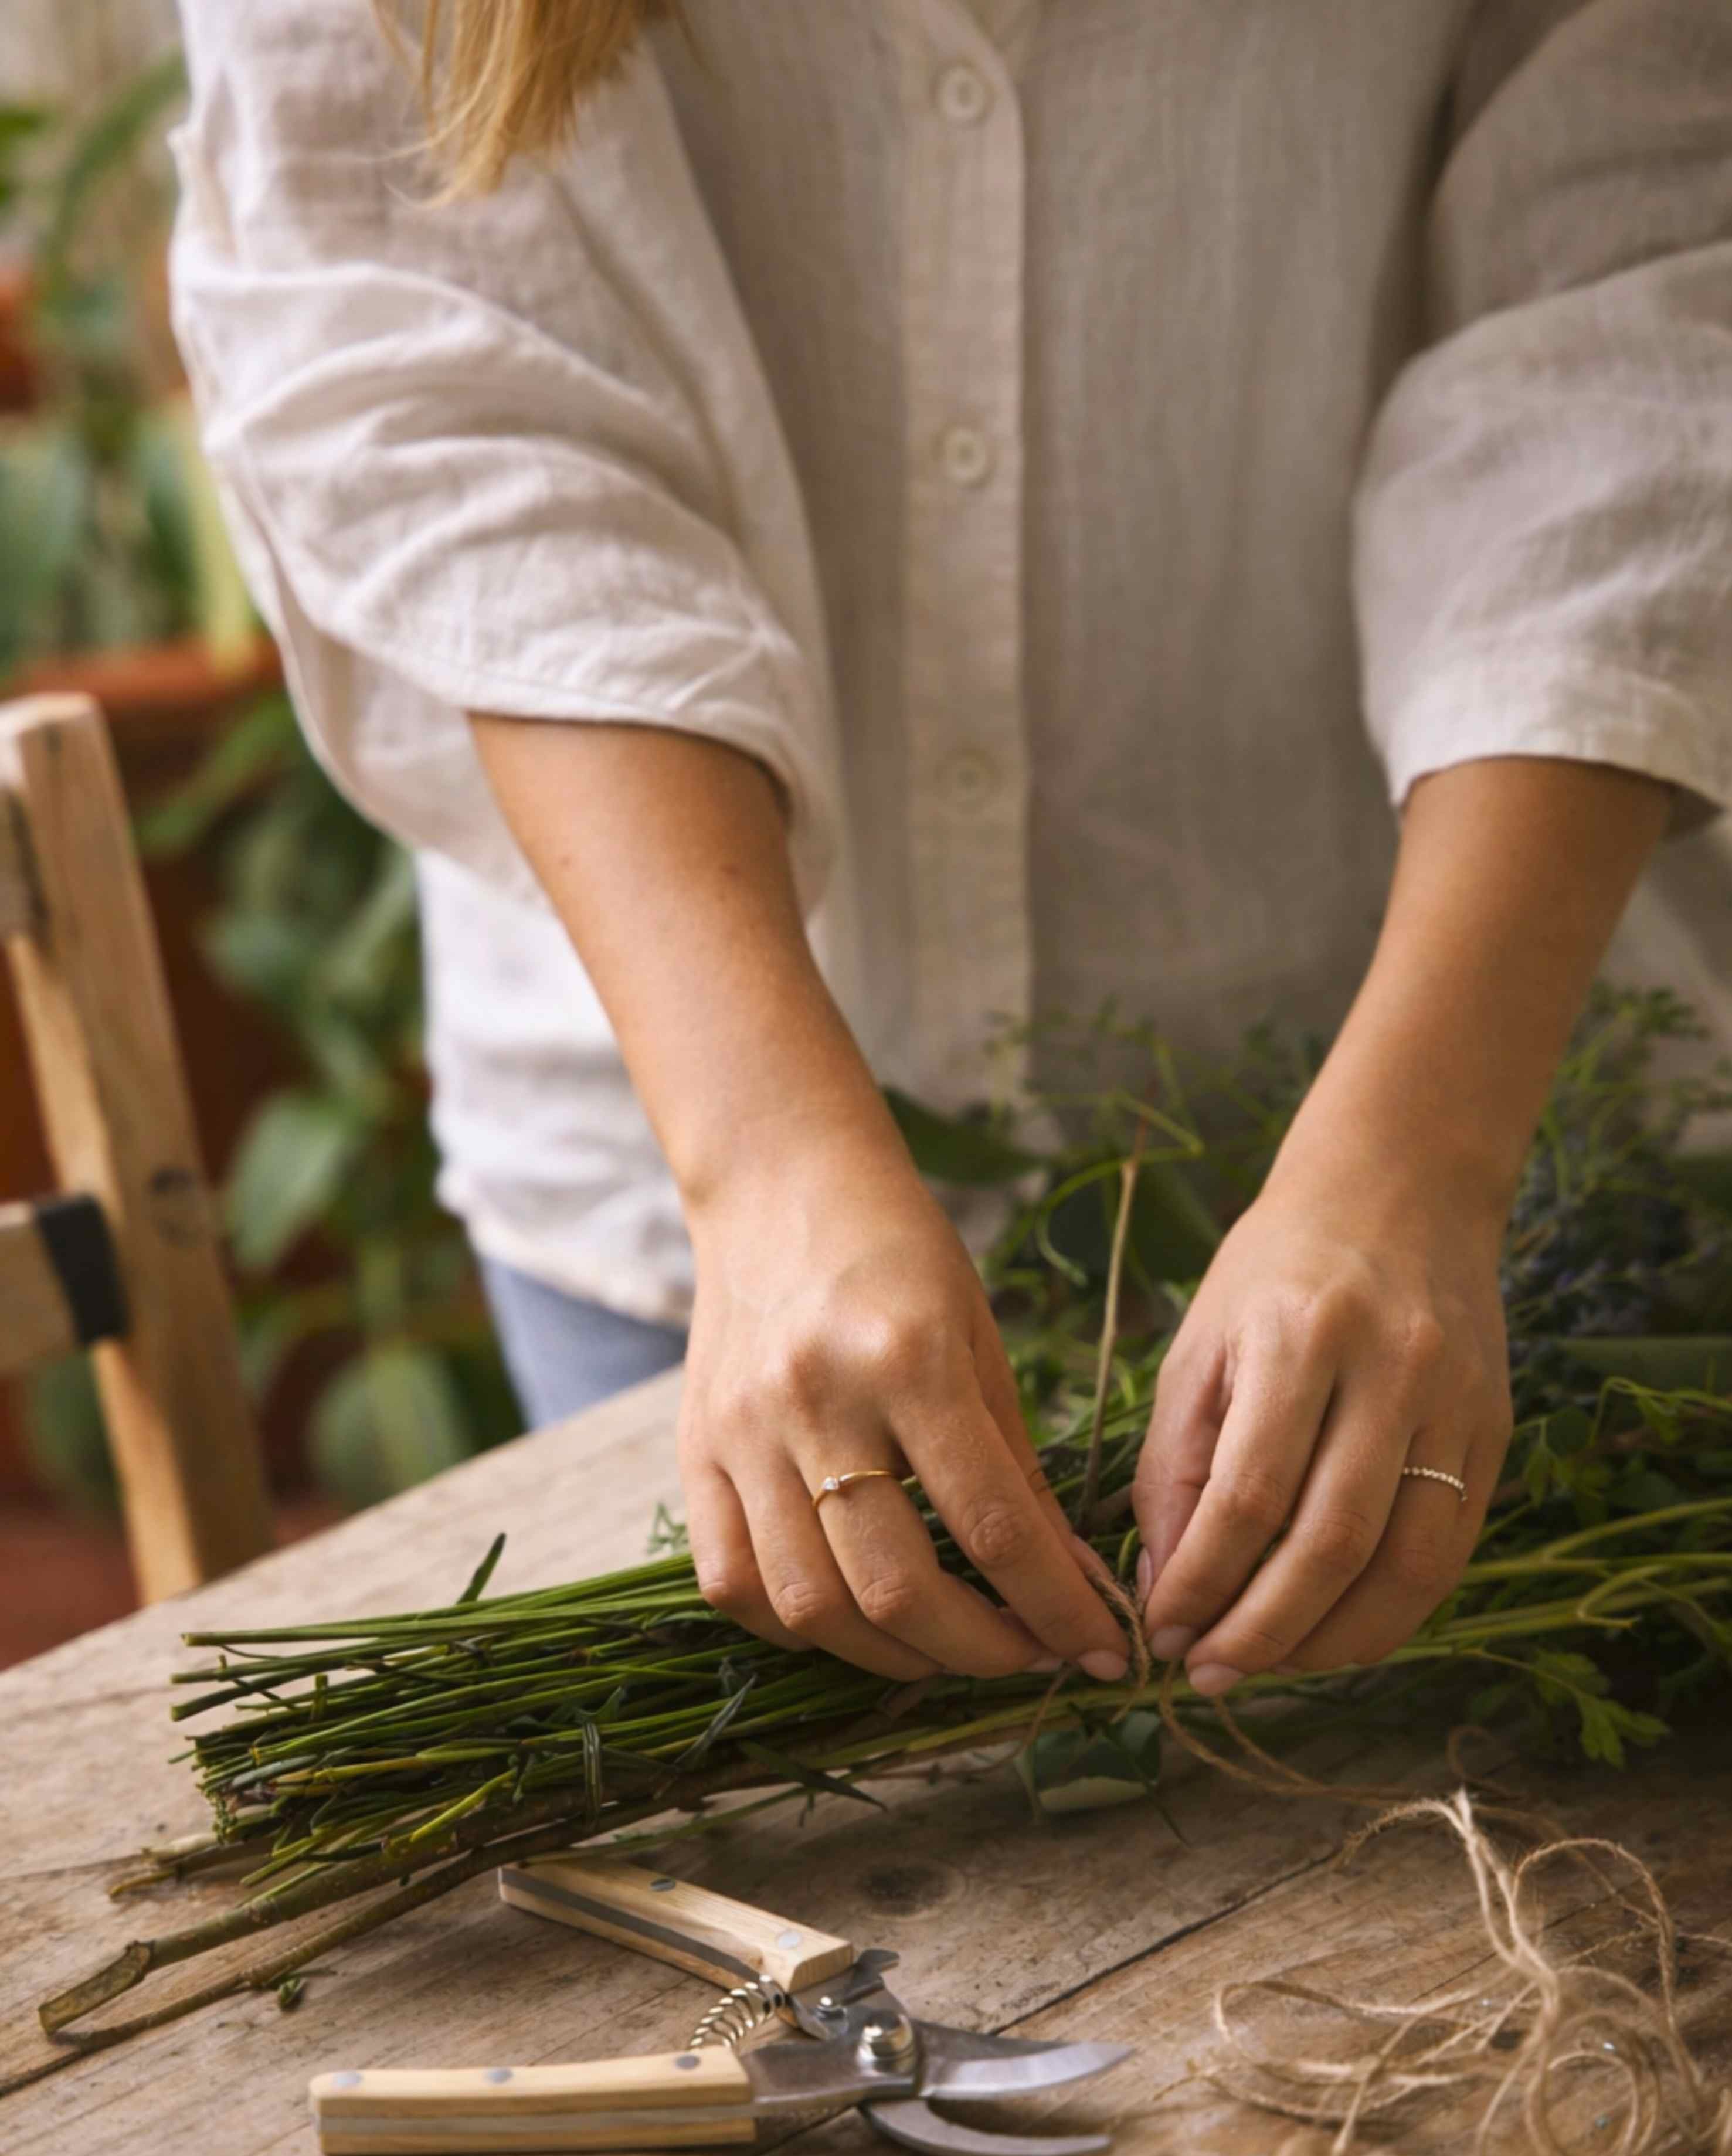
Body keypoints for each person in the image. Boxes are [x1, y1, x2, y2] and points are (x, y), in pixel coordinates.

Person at [168, 1, 1732, 1697]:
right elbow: (435, 385)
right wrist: (763, 1165)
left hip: (1476, 1115)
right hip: (674, 1149)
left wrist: (1420, 1158)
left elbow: (1638, 318)